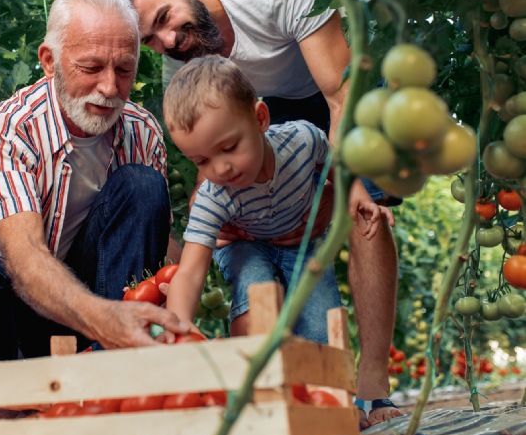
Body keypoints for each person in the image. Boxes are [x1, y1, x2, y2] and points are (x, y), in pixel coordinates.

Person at [99, 0, 401, 428]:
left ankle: (373, 384)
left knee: (364, 212)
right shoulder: (185, 54)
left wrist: (345, 191)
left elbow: (340, 99)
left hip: (338, 84)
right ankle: (285, 393)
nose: (167, 42)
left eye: (163, 20)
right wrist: (198, 244)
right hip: (257, 110)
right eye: (150, 42)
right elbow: (208, 158)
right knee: (239, 224)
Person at [0, 0, 190, 371]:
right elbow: (25, 260)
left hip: (102, 314)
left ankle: (113, 372)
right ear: (49, 61)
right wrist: (105, 317)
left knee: (143, 185)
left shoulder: (141, 130)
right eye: (91, 68)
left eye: (124, 69)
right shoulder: (6, 129)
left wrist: (202, 250)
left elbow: (154, 249)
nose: (110, 87)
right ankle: (14, 392)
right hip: (13, 312)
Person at [161, 55, 382, 344]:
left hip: (299, 242)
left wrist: (358, 195)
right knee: (255, 292)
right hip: (245, 246)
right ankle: (250, 372)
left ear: (260, 119)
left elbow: (334, 163)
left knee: (321, 327)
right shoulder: (213, 197)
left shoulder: (301, 140)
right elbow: (189, 273)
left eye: (229, 147)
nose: (220, 169)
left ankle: (321, 386)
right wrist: (179, 326)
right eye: (202, 161)